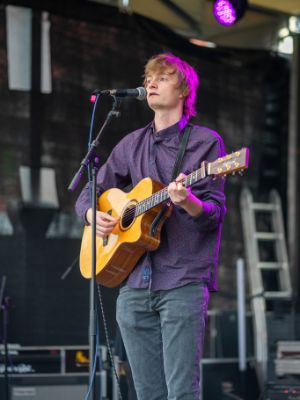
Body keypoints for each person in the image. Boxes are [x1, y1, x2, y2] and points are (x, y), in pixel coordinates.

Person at [75, 52, 226, 400]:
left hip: (183, 280)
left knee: (182, 393)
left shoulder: (206, 142)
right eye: (148, 79)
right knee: (146, 394)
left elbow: (214, 213)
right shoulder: (132, 143)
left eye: (163, 77)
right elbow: (91, 188)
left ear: (184, 89)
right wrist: (89, 215)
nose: (151, 83)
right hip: (133, 285)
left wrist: (187, 201)